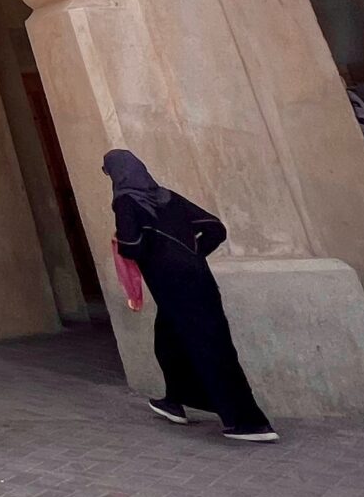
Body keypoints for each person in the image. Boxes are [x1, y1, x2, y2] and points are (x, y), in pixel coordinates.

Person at [104, 149, 277, 443]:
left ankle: (248, 422)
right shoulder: (167, 197)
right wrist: (194, 255)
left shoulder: (125, 201)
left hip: (171, 286)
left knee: (209, 348)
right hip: (199, 280)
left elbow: (131, 244)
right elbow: (214, 229)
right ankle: (175, 401)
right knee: (171, 341)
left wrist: (140, 250)